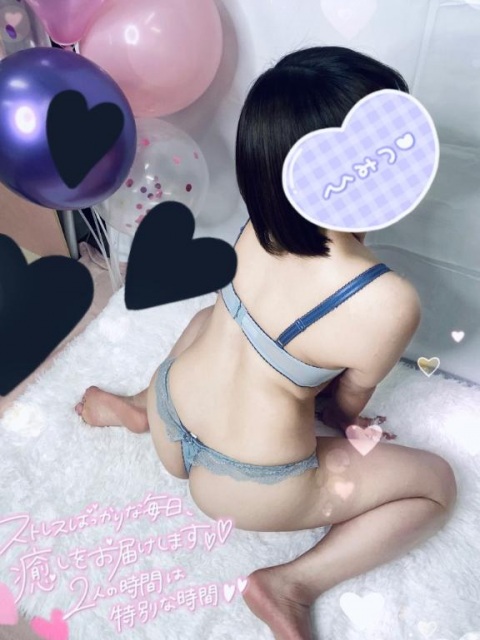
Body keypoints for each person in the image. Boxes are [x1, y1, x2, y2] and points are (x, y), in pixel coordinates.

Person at [75, 47, 457, 640]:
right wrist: (342, 422)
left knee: (215, 319)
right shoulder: (387, 299)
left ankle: (137, 407)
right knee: (436, 484)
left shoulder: (260, 225)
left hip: (172, 409)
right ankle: (290, 585)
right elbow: (346, 403)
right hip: (246, 487)